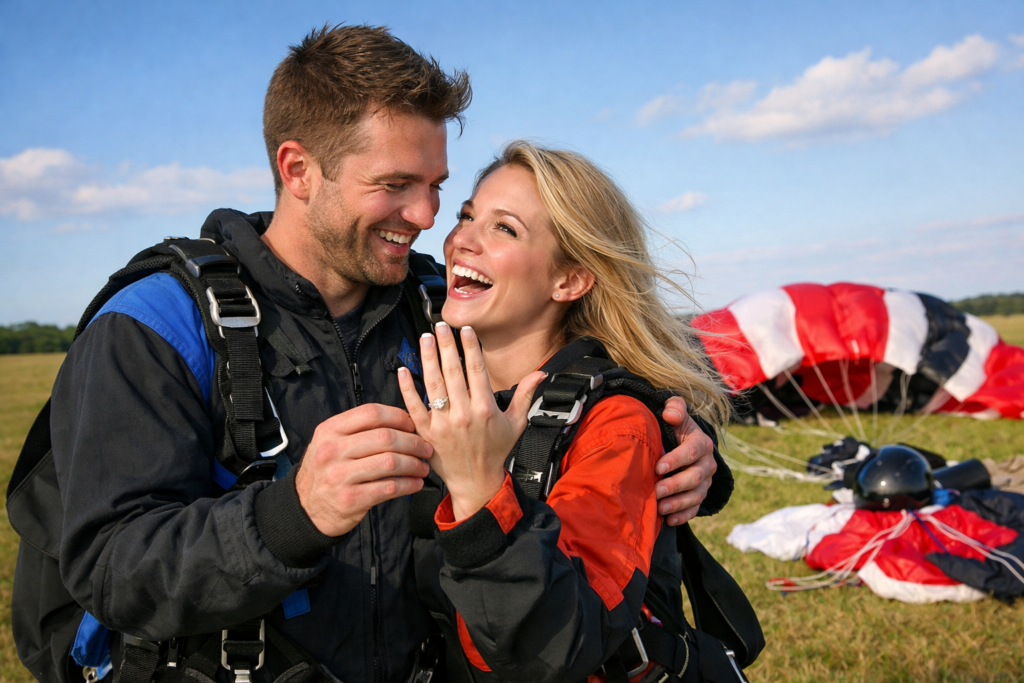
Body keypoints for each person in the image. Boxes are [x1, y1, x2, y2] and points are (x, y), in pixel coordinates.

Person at [46, 25, 721, 683]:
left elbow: (577, 385)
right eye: (396, 184)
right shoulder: (156, 325)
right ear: (299, 170)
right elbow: (109, 568)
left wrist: (689, 450)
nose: (428, 215)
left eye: (436, 185)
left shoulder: (436, 305)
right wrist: (292, 515)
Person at [399, 142, 732, 682]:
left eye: (503, 228)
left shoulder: (615, 424)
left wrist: (479, 489)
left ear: (570, 280)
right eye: (466, 216)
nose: (461, 240)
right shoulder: (435, 371)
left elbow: (556, 647)